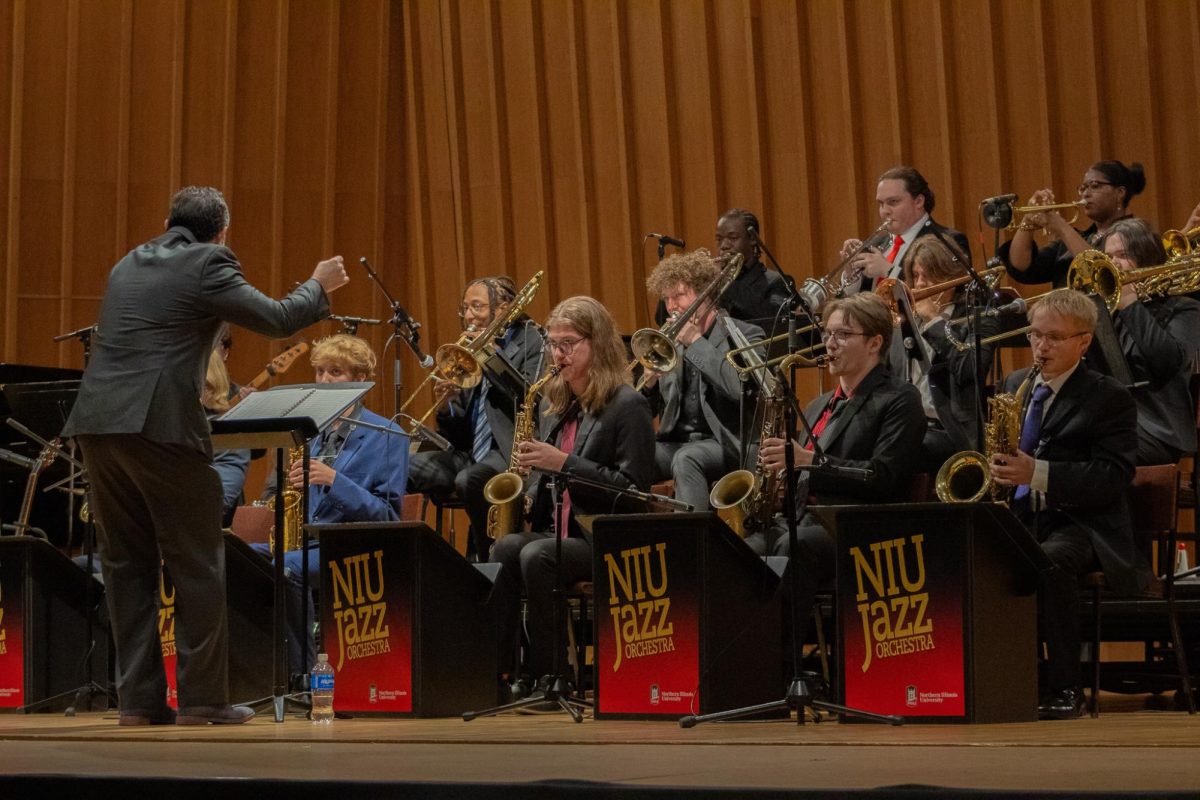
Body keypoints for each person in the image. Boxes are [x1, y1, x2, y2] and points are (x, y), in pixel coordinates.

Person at [61, 186, 347, 726]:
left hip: (97, 425)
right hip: (159, 426)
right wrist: (319, 284)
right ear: (222, 232)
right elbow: (278, 318)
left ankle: (140, 705)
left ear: (168, 220)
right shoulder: (208, 260)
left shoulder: (128, 263)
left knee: (127, 566)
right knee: (197, 562)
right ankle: (202, 701)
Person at [988, 288, 1153, 719]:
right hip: (1024, 515)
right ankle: (1001, 679)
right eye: (1035, 335)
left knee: (1049, 562)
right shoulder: (1013, 385)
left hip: (1083, 523)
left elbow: (1112, 478)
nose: (1041, 347)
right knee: (976, 555)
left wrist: (1036, 472)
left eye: (1054, 338)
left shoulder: (1109, 396)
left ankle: (1065, 687)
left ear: (1083, 342)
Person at [490, 296, 655, 686]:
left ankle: (551, 673)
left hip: (607, 535)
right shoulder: (562, 404)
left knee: (536, 555)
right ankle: (500, 670)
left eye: (568, 344)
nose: (557, 354)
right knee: (505, 547)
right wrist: (531, 492)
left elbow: (632, 492)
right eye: (552, 343)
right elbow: (549, 475)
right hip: (563, 533)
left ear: (596, 344)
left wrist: (562, 464)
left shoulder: (628, 405)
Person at [752, 293, 925, 646]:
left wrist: (807, 461)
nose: (829, 344)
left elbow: (884, 477)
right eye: (827, 334)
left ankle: (780, 668)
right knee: (743, 548)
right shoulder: (818, 406)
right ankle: (748, 662)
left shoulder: (899, 400)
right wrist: (784, 481)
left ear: (875, 342)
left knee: (795, 547)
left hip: (859, 523)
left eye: (843, 335)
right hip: (805, 520)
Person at [406, 276, 545, 561]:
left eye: (477, 307)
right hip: (470, 452)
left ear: (504, 308)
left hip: (509, 449)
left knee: (469, 481)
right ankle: (417, 562)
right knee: (399, 465)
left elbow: (529, 398)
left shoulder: (531, 339)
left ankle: (485, 564)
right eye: (465, 308)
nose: (469, 316)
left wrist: (489, 357)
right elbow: (457, 436)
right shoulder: (468, 350)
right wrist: (446, 407)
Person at [254, 334, 410, 585]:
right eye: (320, 371)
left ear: (360, 379)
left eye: (335, 372)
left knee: (286, 567)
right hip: (305, 544)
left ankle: (295, 627)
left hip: (353, 547)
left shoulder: (388, 435)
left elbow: (388, 517)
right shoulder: (309, 434)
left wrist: (334, 481)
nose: (324, 380)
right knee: (237, 557)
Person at [642, 249, 765, 511]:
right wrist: (649, 385)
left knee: (688, 459)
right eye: (666, 298)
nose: (672, 307)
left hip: (728, 443)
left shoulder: (745, 334)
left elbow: (742, 388)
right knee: (631, 455)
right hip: (676, 442)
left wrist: (696, 343)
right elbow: (644, 414)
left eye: (679, 296)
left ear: (706, 295)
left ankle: (696, 542)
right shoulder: (670, 342)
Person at [1098, 218, 1200, 465]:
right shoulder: (1105, 313)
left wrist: (1130, 304)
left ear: (1146, 257)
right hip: (1114, 421)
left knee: (1094, 451)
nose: (1114, 263)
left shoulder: (1185, 309)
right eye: (1108, 256)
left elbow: (1166, 361)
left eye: (1122, 254)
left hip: (1159, 429)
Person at [896, 237, 1001, 470]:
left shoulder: (981, 318)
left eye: (928, 275)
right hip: (908, 425)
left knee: (904, 451)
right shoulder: (904, 322)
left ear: (951, 279)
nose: (920, 284)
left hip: (950, 430)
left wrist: (934, 322)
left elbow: (969, 371)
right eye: (915, 276)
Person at [1001, 160, 1145, 288]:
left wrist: (1062, 227)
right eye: (1083, 188)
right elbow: (1020, 266)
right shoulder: (1071, 242)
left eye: (1095, 186)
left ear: (1120, 193)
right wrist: (1028, 219)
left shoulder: (1137, 235)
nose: (1086, 194)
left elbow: (1102, 272)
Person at [655, 209, 791, 328]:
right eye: (719, 239)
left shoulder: (774, 281)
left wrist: (722, 279)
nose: (724, 245)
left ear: (752, 239)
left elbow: (776, 320)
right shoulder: (707, 280)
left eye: (733, 238)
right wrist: (673, 286)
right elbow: (661, 319)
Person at [843, 166, 971, 291]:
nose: (884, 211)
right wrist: (852, 274)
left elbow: (946, 293)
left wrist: (888, 271)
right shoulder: (876, 243)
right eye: (881, 204)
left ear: (919, 201)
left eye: (893, 202)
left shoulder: (948, 240)